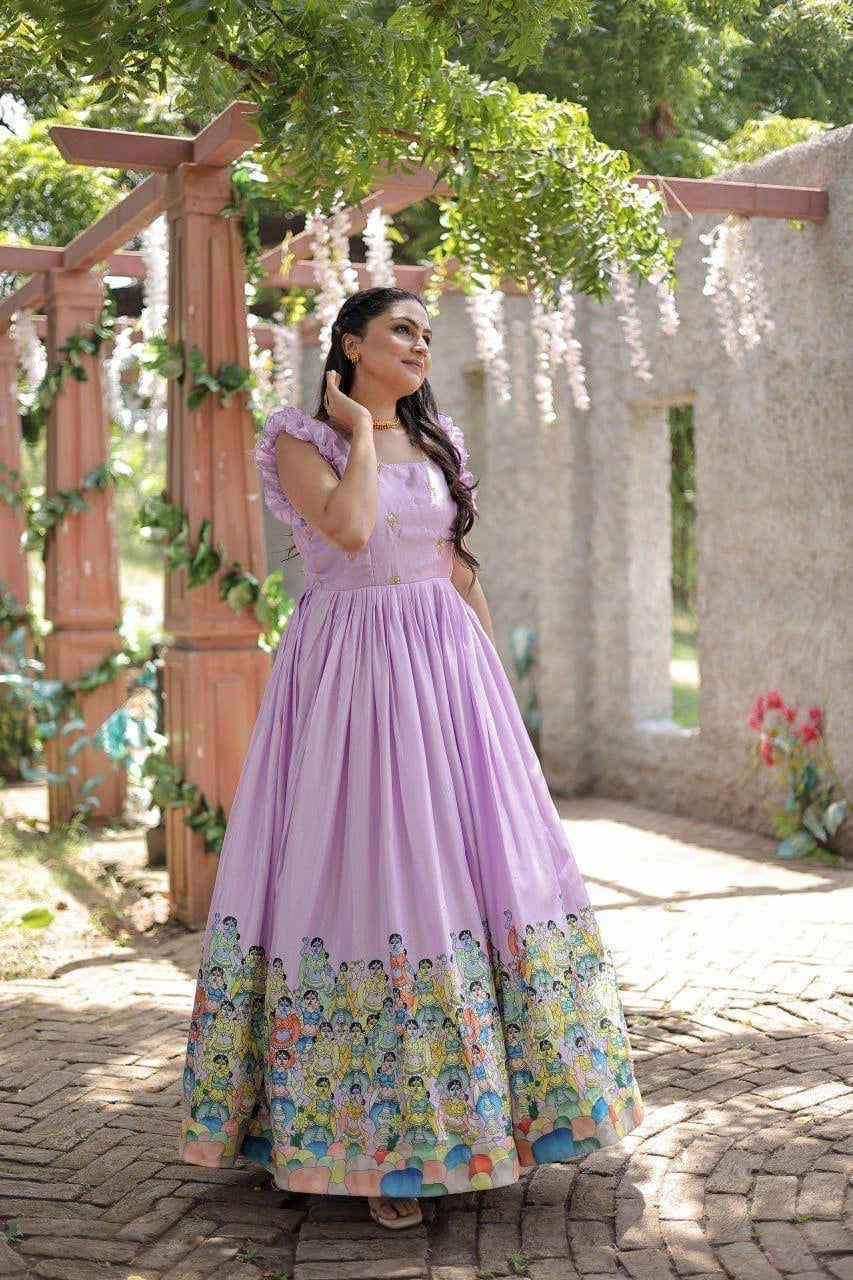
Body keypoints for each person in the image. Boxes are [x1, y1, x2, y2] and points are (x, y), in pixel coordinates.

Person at [178, 286, 643, 1230]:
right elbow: (349, 532)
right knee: (372, 880)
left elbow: (456, 568)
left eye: (427, 334)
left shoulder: (439, 445)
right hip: (351, 679)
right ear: (347, 343)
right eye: (401, 330)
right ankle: (374, 1149)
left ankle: (485, 1123)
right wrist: (354, 429)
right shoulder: (299, 441)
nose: (420, 344)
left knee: (471, 876)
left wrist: (500, 714)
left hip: (446, 675)